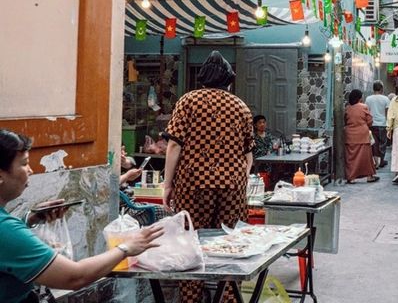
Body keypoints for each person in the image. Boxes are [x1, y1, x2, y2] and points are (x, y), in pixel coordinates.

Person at [0, 129, 163, 303]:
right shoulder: (6, 230)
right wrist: (126, 248)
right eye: (24, 164)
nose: (31, 170)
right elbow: (75, 277)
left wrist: (30, 219)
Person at [161, 50, 254, 303]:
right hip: (232, 187)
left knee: (191, 244)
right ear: (228, 79)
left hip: (193, 185)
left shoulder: (188, 101)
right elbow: (248, 156)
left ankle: (191, 298)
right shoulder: (240, 106)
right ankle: (228, 298)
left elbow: (174, 145)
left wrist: (168, 185)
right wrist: (238, 180)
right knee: (231, 246)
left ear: (202, 78)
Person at [344, 90, 380, 184]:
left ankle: (351, 177)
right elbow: (370, 121)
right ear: (359, 98)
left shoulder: (347, 108)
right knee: (366, 157)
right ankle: (369, 176)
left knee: (351, 157)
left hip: (350, 136)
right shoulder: (363, 106)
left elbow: (345, 120)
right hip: (362, 135)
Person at [365, 81, 390, 169]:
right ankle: (381, 160)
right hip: (382, 124)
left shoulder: (368, 99)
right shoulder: (386, 99)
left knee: (374, 143)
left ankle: (376, 162)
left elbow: (367, 111)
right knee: (382, 143)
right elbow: (388, 112)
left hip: (372, 124)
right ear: (382, 89)